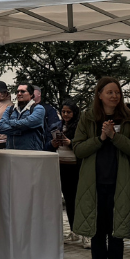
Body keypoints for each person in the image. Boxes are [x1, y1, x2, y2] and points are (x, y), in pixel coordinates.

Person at [72, 78, 130, 259]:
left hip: (120, 186)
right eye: (110, 92)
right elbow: (78, 149)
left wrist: (116, 137)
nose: (115, 96)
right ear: (99, 95)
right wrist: (101, 138)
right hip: (94, 187)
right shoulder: (87, 118)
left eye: (117, 92)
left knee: (117, 237)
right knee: (96, 235)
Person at [52, 100, 81, 242]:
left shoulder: (80, 126)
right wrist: (53, 143)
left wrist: (70, 143)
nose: (65, 114)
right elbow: (49, 144)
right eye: (63, 112)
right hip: (60, 165)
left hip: (75, 166)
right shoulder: (58, 125)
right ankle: (73, 230)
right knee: (68, 199)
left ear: (74, 112)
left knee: (77, 199)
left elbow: (83, 145)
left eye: (68, 112)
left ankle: (84, 233)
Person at [0, 84, 48, 150]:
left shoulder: (38, 109)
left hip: (31, 154)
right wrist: (20, 131)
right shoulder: (10, 109)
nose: (19, 94)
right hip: (11, 153)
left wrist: (10, 123)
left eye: (23, 91)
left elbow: (28, 123)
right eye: (17, 92)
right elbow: (0, 127)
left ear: (31, 94)